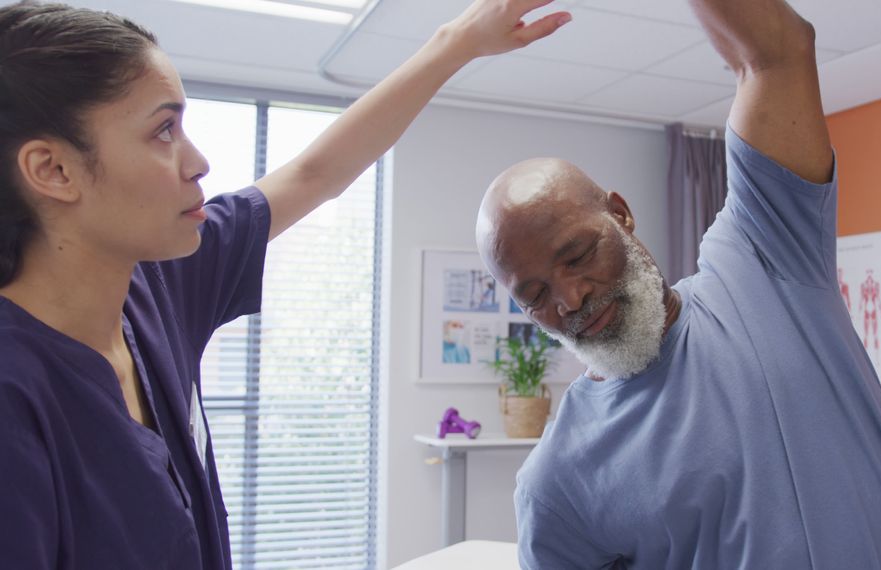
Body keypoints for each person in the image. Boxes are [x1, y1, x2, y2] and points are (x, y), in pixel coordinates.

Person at [0, 0, 568, 567]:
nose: (197, 161)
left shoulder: (157, 287)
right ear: (53, 170)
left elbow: (314, 174)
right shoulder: (16, 392)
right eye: (162, 130)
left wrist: (458, 41)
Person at [474, 0, 881, 567]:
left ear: (620, 213)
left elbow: (776, 54)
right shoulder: (557, 484)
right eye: (535, 296)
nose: (571, 298)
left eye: (579, 255)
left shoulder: (763, 262)